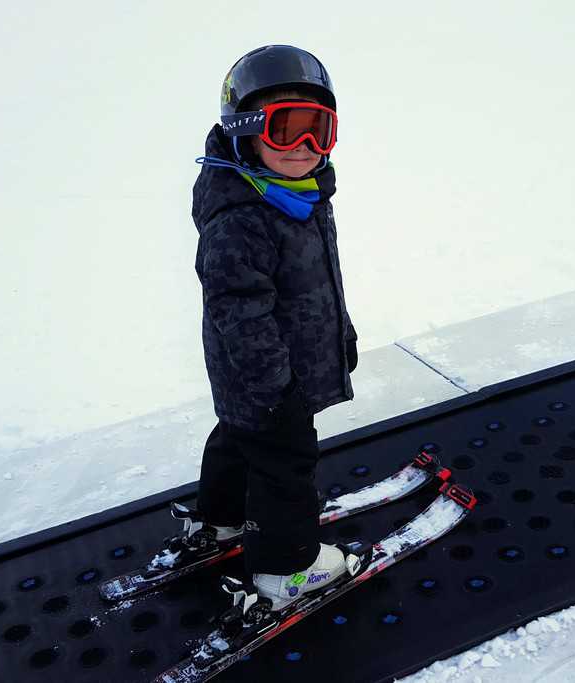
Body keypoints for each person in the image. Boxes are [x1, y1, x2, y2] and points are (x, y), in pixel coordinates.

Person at [186, 44, 360, 610]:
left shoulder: (295, 195)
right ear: (245, 129)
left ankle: (220, 520)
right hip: (268, 377)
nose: (306, 149)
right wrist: (276, 390)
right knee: (286, 465)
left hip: (265, 375)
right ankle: (287, 570)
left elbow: (318, 282)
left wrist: (342, 335)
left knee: (237, 440)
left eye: (320, 131)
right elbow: (238, 312)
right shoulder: (241, 216)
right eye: (287, 131)